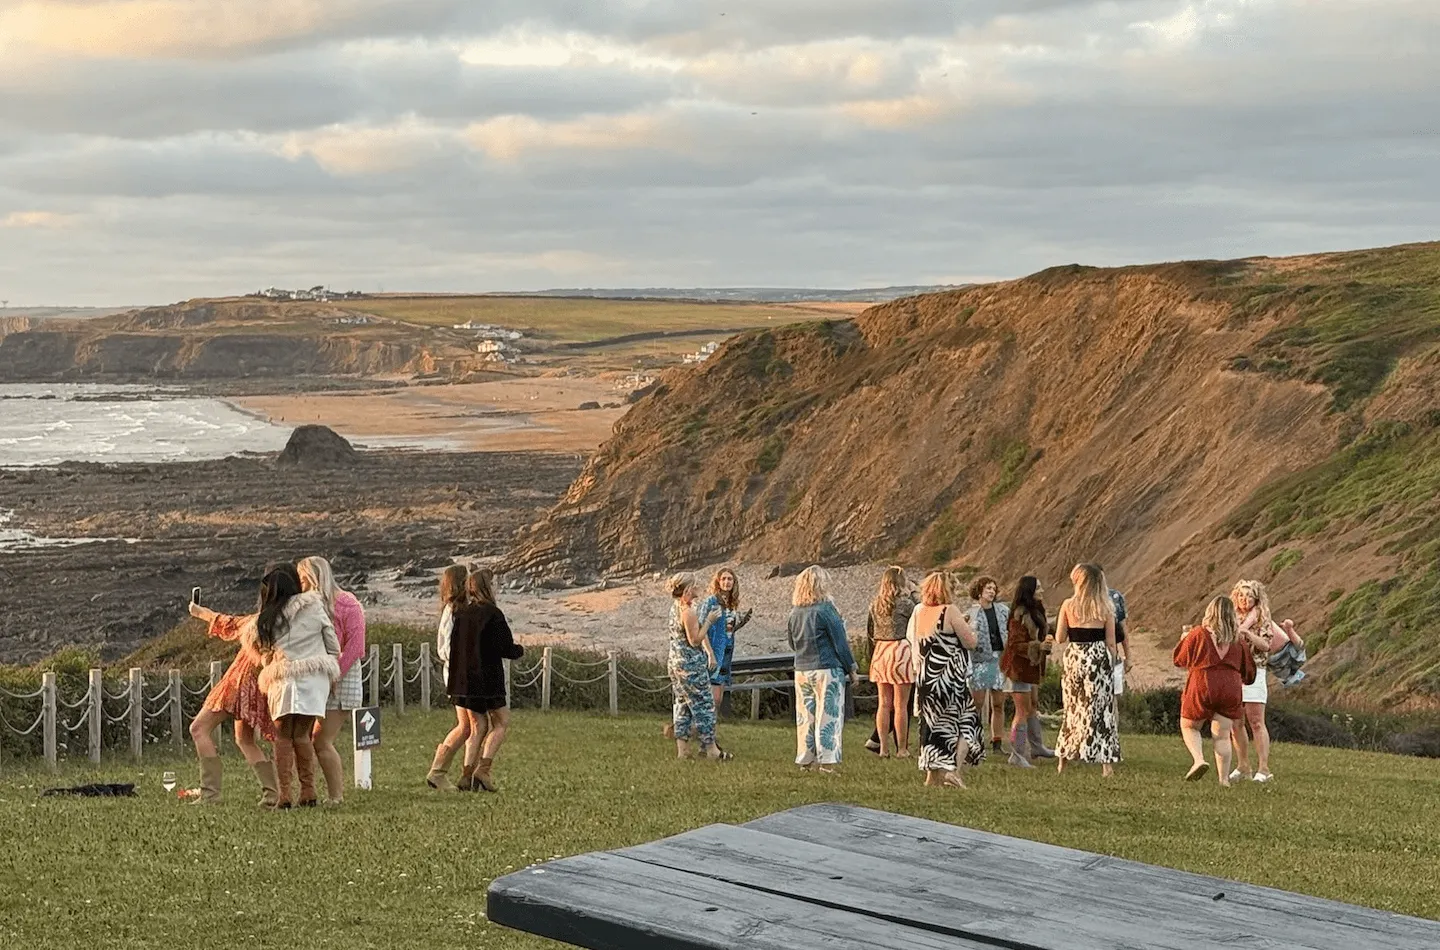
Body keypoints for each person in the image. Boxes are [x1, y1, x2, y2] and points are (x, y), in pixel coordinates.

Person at [254, 565, 340, 809]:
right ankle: (309, 790)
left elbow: (263, 653)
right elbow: (332, 645)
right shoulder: (315, 606)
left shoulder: (268, 617)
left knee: (282, 736)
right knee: (303, 734)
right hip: (314, 678)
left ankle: (285, 794)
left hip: (283, 679)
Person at [185, 589, 281, 806]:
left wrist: (200, 612)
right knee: (245, 740)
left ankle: (210, 794)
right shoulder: (285, 624)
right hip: (260, 685)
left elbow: (227, 623)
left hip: (238, 683)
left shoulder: (256, 621)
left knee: (198, 729)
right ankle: (272, 793)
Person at [445, 568, 526, 791]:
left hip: (464, 681)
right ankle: (483, 770)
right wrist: (520, 650)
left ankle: (466, 774)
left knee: (477, 725)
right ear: (487, 587)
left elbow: (455, 649)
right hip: (487, 678)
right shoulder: (493, 613)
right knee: (501, 722)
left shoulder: (461, 613)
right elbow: (505, 647)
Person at [298, 556, 365, 806]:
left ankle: (336, 795)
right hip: (320, 674)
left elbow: (355, 646)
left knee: (322, 739)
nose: (300, 583)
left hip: (341, 675)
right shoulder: (310, 604)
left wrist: (335, 672)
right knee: (311, 737)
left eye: (303, 578)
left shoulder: (347, 603)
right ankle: (315, 790)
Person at [1173, 595, 1256, 785]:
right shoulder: (1239, 640)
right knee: (1222, 736)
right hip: (1230, 687)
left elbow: (1179, 659)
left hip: (1202, 682)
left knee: (1189, 726)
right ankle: (1224, 779)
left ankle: (1199, 759)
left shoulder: (1198, 634)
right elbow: (1249, 672)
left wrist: (1184, 640)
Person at [913, 572, 982, 788]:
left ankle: (931, 776)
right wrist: (971, 629)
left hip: (927, 678)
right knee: (967, 722)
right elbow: (969, 642)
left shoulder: (921, 612)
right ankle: (954, 770)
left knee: (932, 725)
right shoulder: (949, 611)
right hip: (949, 677)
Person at [787, 566, 857, 772]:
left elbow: (792, 642)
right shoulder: (826, 609)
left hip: (802, 668)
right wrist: (850, 667)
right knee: (829, 716)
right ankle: (827, 762)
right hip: (826, 667)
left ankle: (806, 759)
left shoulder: (795, 612)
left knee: (805, 717)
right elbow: (840, 642)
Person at [1054, 563, 1121, 778]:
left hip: (1075, 656)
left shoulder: (1068, 605)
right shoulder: (1105, 607)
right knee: (1101, 709)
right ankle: (1105, 764)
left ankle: (1064, 759)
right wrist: (1115, 663)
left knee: (1072, 707)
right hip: (1097, 657)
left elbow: (1060, 637)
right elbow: (1111, 642)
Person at [667, 572, 731, 761]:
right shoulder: (688, 611)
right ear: (687, 589)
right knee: (705, 704)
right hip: (691, 665)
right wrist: (710, 621)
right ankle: (711, 748)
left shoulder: (675, 608)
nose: (697, 588)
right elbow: (694, 640)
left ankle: (683, 749)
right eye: (694, 585)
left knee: (683, 704)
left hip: (675, 662)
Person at [1228, 579, 1286, 783]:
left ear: (1256, 598)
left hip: (1254, 671)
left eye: (1249, 596)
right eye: (1241, 595)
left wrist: (1248, 634)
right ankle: (1243, 765)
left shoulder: (1262, 619)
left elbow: (1266, 645)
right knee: (1236, 721)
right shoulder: (1231, 617)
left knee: (1256, 721)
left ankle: (1264, 768)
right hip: (1234, 671)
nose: (1244, 600)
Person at [998, 575, 1055, 767]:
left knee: (1032, 706)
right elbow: (1014, 644)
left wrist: (1050, 634)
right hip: (1017, 668)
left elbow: (1043, 630)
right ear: (1029, 591)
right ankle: (1017, 753)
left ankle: (1037, 746)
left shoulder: (1037, 610)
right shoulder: (1019, 614)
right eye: (1038, 587)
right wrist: (1038, 647)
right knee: (1021, 711)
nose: (1042, 590)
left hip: (1030, 668)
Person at [427, 564, 472, 791]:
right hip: (458, 674)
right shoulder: (453, 610)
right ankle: (438, 770)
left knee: (467, 725)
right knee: (467, 726)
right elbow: (445, 647)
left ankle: (446, 771)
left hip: (456, 673)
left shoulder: (454, 608)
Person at [864, 566, 917, 758]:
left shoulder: (875, 603)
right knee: (901, 704)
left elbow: (870, 630)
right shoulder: (905, 604)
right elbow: (918, 617)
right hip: (900, 650)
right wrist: (913, 592)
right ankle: (901, 748)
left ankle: (883, 748)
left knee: (883, 704)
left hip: (881, 650)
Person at [965, 575, 1010, 754]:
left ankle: (997, 741)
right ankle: (973, 741)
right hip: (979, 661)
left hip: (999, 658)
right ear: (979, 592)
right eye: (988, 588)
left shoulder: (1002, 610)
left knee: (998, 703)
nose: (991, 591)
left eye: (993, 588)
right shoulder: (972, 612)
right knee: (977, 702)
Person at [700, 567, 752, 718]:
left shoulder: (731, 603)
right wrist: (710, 653)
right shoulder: (711, 601)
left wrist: (740, 625)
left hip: (726, 652)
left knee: (719, 698)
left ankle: (711, 731)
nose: (726, 582)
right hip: (713, 652)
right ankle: (705, 731)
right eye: (723, 579)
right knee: (712, 697)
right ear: (718, 581)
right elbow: (702, 628)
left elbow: (726, 630)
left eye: (729, 579)